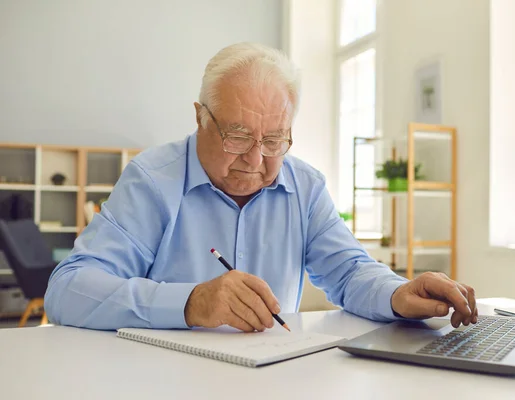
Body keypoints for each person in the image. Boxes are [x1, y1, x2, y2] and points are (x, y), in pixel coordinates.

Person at [44, 42, 477, 332]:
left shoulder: (304, 185)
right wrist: (190, 302)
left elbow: (349, 272)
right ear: (200, 117)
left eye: (273, 141)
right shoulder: (152, 180)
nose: (255, 160)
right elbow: (68, 291)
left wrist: (399, 293)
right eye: (237, 137)